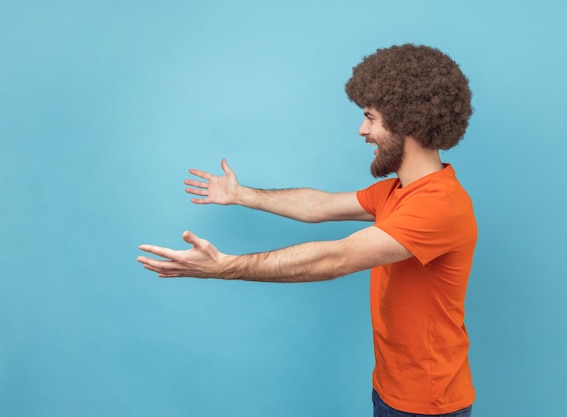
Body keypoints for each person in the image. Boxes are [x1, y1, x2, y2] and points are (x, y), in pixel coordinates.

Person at [137, 44, 476, 417]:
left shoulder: (437, 205)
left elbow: (336, 258)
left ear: (406, 120)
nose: (362, 130)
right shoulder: (396, 192)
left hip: (427, 405)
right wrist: (243, 194)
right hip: (391, 389)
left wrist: (224, 267)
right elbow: (319, 205)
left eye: (370, 118)